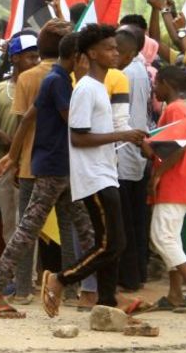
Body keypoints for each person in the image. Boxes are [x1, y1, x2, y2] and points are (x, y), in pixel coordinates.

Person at [0, 33, 96, 317]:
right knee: (29, 230)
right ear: (78, 57)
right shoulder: (59, 82)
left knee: (86, 231)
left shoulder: (56, 79)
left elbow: (28, 118)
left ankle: (94, 291)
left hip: (60, 167)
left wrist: (12, 156)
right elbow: (77, 123)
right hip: (55, 169)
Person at [41, 24, 147, 316]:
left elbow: (109, 129)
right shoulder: (86, 89)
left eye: (116, 48)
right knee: (112, 243)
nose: (115, 52)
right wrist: (122, 136)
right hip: (93, 176)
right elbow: (78, 137)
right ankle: (61, 279)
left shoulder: (99, 87)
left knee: (111, 242)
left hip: (105, 171)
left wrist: (137, 140)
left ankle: (108, 304)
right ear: (92, 53)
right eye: (109, 48)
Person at [145, 66, 186, 311]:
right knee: (169, 237)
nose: (154, 89)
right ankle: (175, 294)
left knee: (162, 236)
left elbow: (178, 146)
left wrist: (158, 173)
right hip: (176, 181)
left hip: (175, 180)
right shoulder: (174, 108)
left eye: (156, 84)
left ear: (165, 83)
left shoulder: (175, 109)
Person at [0, 31, 39, 254]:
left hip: (31, 166)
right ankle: (14, 275)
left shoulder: (41, 86)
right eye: (30, 57)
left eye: (37, 57)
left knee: (29, 224)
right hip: (4, 166)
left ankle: (28, 276)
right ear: (15, 58)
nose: (35, 62)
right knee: (9, 223)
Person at [114, 25, 153, 291]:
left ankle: (127, 277)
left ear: (126, 53)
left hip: (124, 153)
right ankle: (138, 273)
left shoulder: (123, 75)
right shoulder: (140, 71)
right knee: (137, 219)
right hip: (136, 152)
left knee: (125, 221)